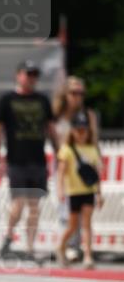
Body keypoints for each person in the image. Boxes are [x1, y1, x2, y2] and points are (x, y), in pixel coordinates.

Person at [0, 60, 59, 261]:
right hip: (16, 159)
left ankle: (30, 248)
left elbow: (51, 128)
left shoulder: (42, 100)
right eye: (27, 74)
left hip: (37, 160)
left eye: (34, 75)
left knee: (34, 207)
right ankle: (8, 237)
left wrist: (59, 151)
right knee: (18, 204)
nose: (31, 78)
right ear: (18, 75)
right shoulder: (6, 99)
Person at [52, 75, 99, 261]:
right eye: (73, 93)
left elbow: (93, 141)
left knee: (84, 211)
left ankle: (77, 246)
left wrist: (95, 163)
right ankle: (69, 245)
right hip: (65, 163)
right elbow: (55, 142)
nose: (77, 97)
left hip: (83, 165)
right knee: (67, 210)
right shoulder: (58, 116)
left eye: (80, 93)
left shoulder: (88, 115)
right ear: (65, 94)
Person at [55, 111, 102, 269]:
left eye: (84, 130)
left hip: (88, 191)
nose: (81, 133)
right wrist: (60, 190)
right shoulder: (67, 150)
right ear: (73, 131)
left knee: (87, 224)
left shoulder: (92, 150)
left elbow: (96, 174)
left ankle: (88, 256)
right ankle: (61, 246)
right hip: (73, 192)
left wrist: (99, 193)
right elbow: (61, 172)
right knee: (73, 226)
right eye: (78, 130)